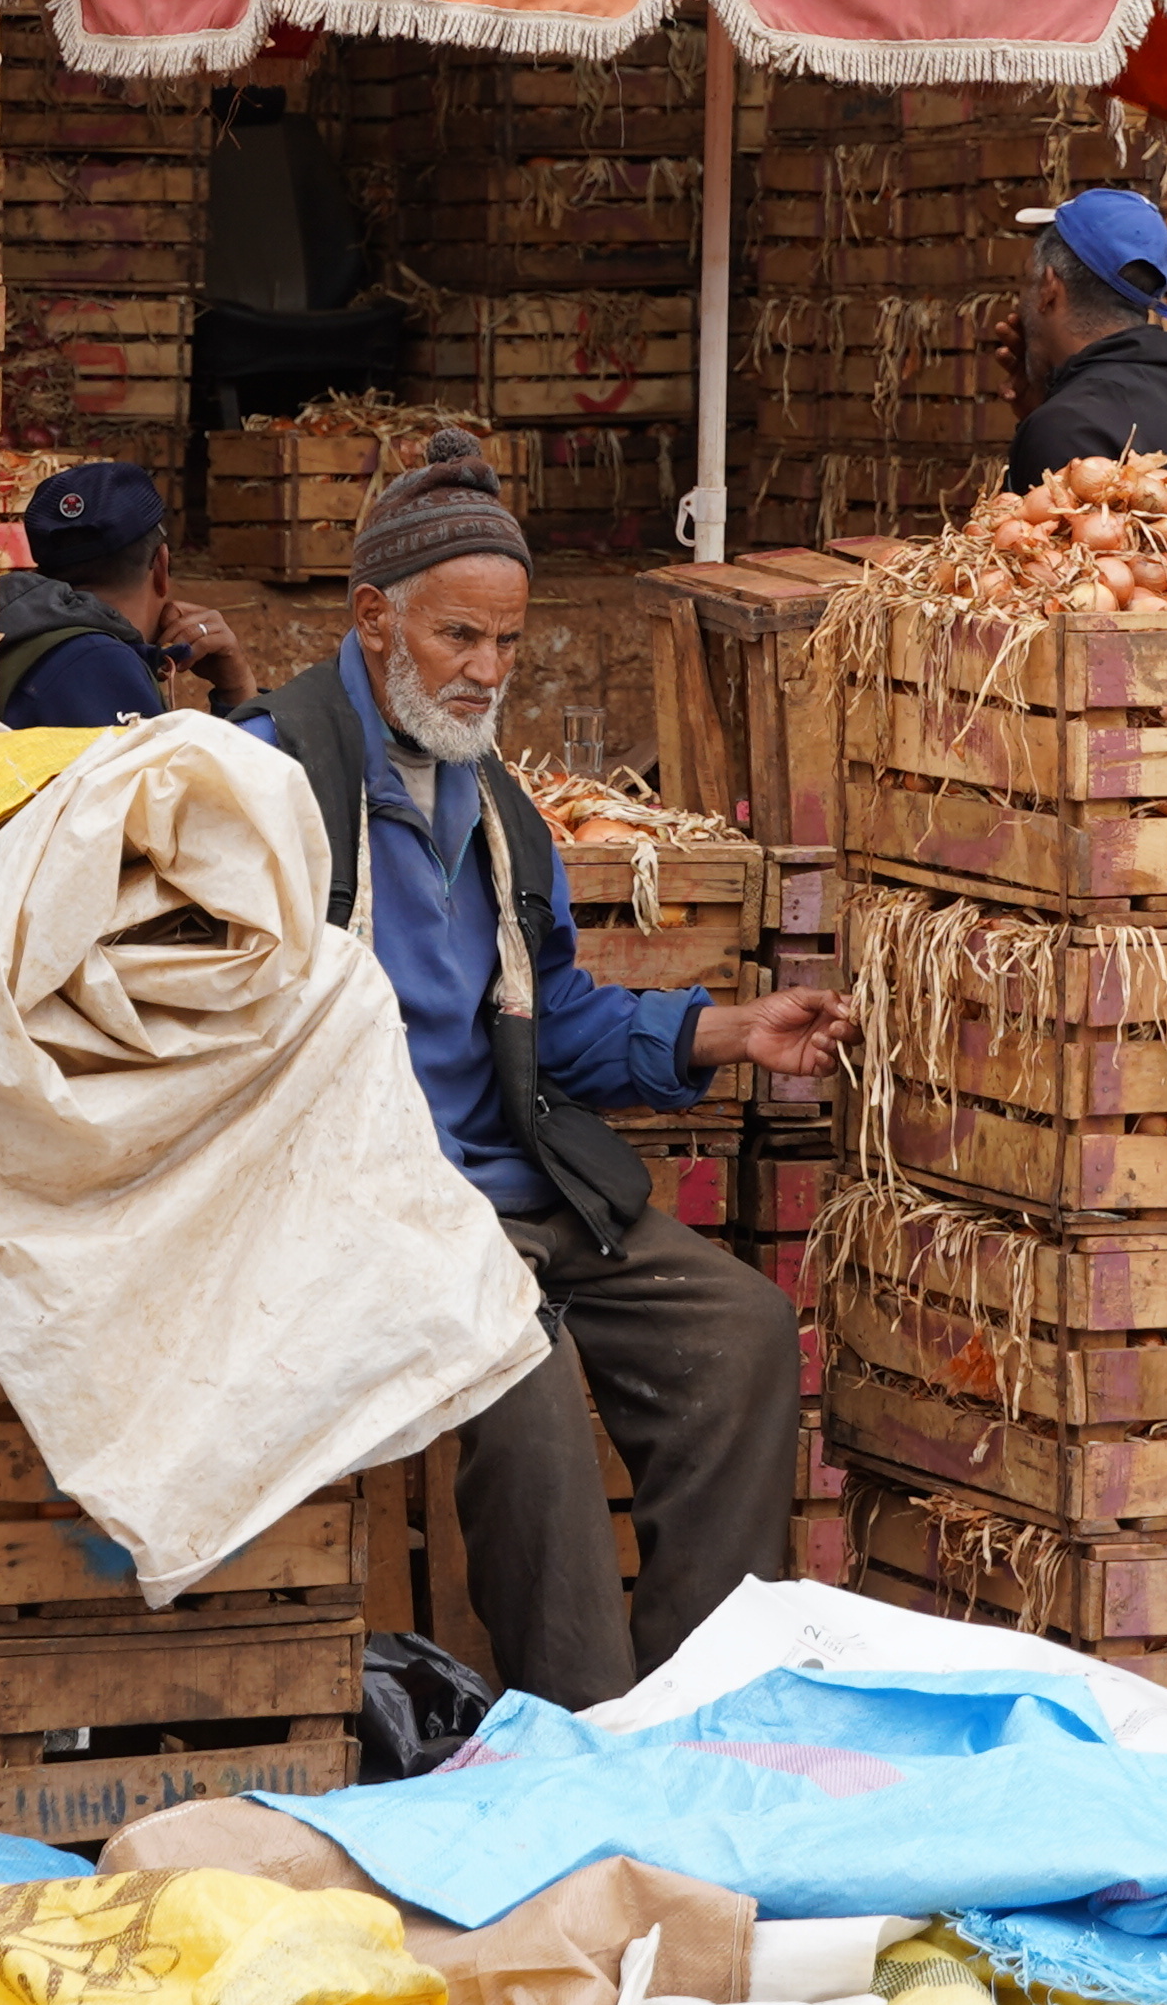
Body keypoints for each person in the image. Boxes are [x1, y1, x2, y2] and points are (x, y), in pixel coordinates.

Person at [253, 430, 849, 1704]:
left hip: (512, 1185)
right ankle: (575, 1728)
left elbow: (549, 1015)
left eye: (508, 645)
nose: (487, 673)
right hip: (365, 1201)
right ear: (374, 619)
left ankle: (690, 1701)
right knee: (521, 1366)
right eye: (459, 639)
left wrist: (724, 1031)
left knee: (738, 1332)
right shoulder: (276, 773)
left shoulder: (494, 800)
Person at [1005, 186, 1167, 520]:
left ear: (1049, 287)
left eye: (1025, 281)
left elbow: (1044, 565)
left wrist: (1043, 424)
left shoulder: (1065, 426)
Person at [0, 460, 259, 727]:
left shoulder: (12, 632)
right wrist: (238, 689)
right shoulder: (101, 662)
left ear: (42, 575)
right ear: (161, 566)